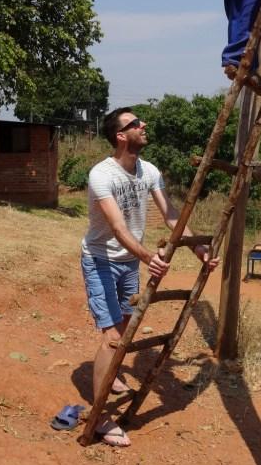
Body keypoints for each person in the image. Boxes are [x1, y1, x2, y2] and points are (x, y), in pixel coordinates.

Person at [80, 107, 219, 447]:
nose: (144, 126)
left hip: (129, 263)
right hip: (100, 259)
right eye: (135, 124)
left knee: (125, 327)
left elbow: (172, 215)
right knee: (112, 337)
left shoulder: (149, 171)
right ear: (121, 136)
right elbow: (116, 226)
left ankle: (110, 376)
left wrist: (196, 247)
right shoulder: (102, 174)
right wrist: (148, 256)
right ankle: (100, 417)